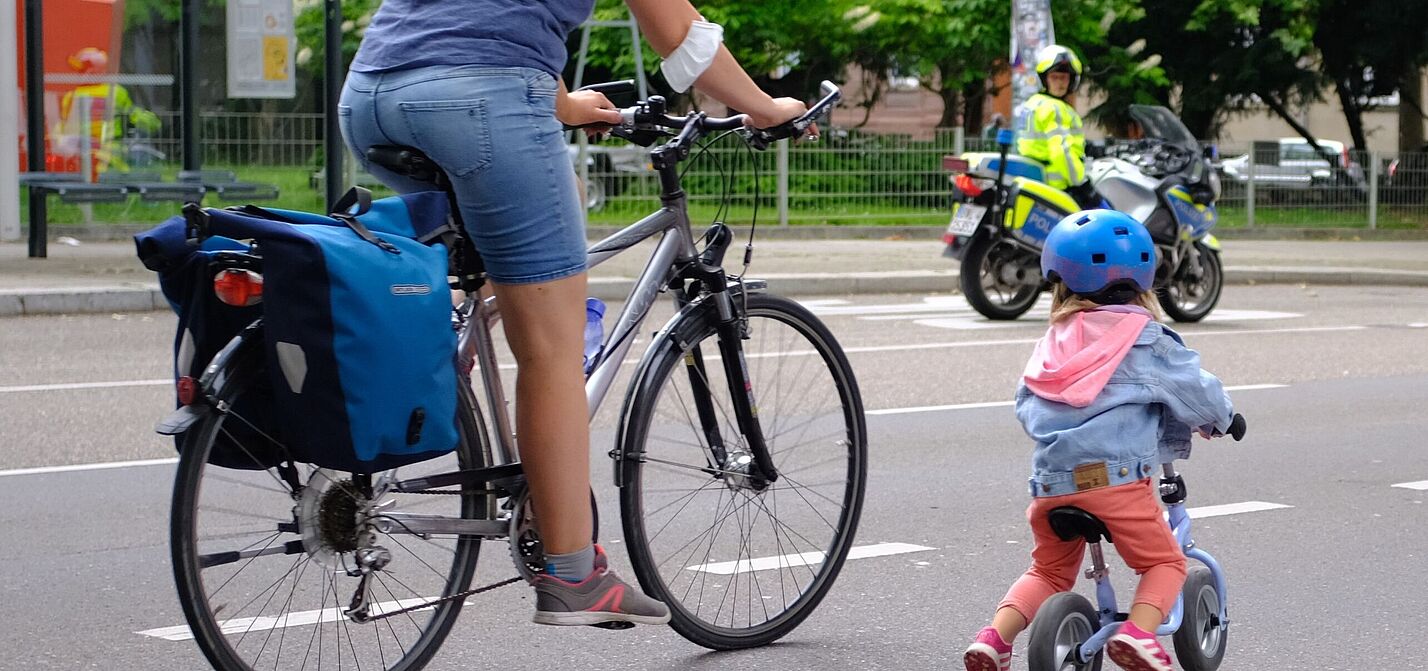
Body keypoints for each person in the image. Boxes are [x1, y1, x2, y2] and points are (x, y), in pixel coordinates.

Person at [340, 0, 809, 627]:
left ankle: (460, 366)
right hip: (478, 100)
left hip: (371, 94)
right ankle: (571, 572)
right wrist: (766, 107)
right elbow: (681, 37)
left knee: (488, 279)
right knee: (552, 349)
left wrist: (562, 105)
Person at [961, 209, 1236, 671]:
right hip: (1116, 482)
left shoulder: (1055, 340)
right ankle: (1137, 634)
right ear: (1143, 280)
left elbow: (1028, 406)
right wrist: (1225, 419)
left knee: (1047, 572)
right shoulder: (1145, 340)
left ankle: (994, 638)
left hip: (1050, 483)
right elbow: (1197, 390)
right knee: (1165, 565)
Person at [1015, 45, 1102, 209]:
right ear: (1045, 79)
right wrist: (1081, 183)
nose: (1060, 83)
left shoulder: (1033, 103)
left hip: (1037, 182)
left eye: (1064, 78)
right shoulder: (1054, 108)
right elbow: (1060, 151)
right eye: (1055, 77)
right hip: (1059, 186)